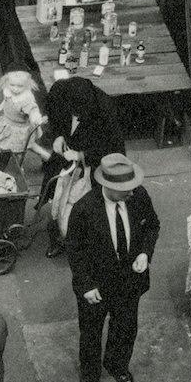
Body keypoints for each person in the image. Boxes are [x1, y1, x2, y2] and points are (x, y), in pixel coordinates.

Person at [64, 154, 158, 382]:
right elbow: (74, 250)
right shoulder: (84, 208)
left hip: (129, 280)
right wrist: (85, 285)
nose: (131, 193)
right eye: (124, 189)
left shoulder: (139, 197)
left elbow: (152, 226)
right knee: (91, 331)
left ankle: (117, 365)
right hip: (96, 284)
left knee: (126, 326)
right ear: (108, 186)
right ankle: (90, 375)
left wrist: (145, 254)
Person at [39, 75, 126, 258]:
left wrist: (82, 155)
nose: (77, 115)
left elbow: (113, 148)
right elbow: (54, 116)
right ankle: (57, 238)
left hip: (92, 163)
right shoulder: (58, 93)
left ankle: (83, 243)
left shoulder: (105, 109)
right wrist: (58, 136)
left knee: (87, 206)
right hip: (65, 154)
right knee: (55, 195)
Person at [0, 70, 49, 157]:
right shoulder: (8, 91)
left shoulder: (25, 100)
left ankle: (18, 164)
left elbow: (33, 111)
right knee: (24, 145)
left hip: (18, 129)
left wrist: (37, 119)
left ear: (27, 85)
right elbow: (5, 101)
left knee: (18, 149)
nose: (15, 89)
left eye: (20, 86)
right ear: (7, 82)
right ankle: (45, 155)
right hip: (8, 123)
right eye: (12, 85)